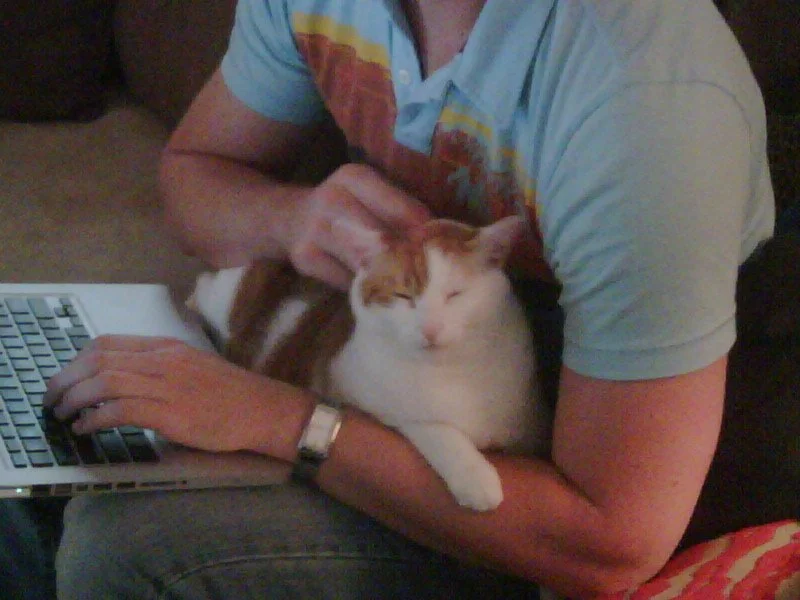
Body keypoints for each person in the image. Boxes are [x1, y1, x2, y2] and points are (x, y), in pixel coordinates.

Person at [43, 0, 775, 598]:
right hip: (402, 382)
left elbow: (611, 544)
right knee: (45, 459)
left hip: (579, 477)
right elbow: (196, 176)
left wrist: (280, 419)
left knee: (126, 545)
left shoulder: (647, 108)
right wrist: (292, 220)